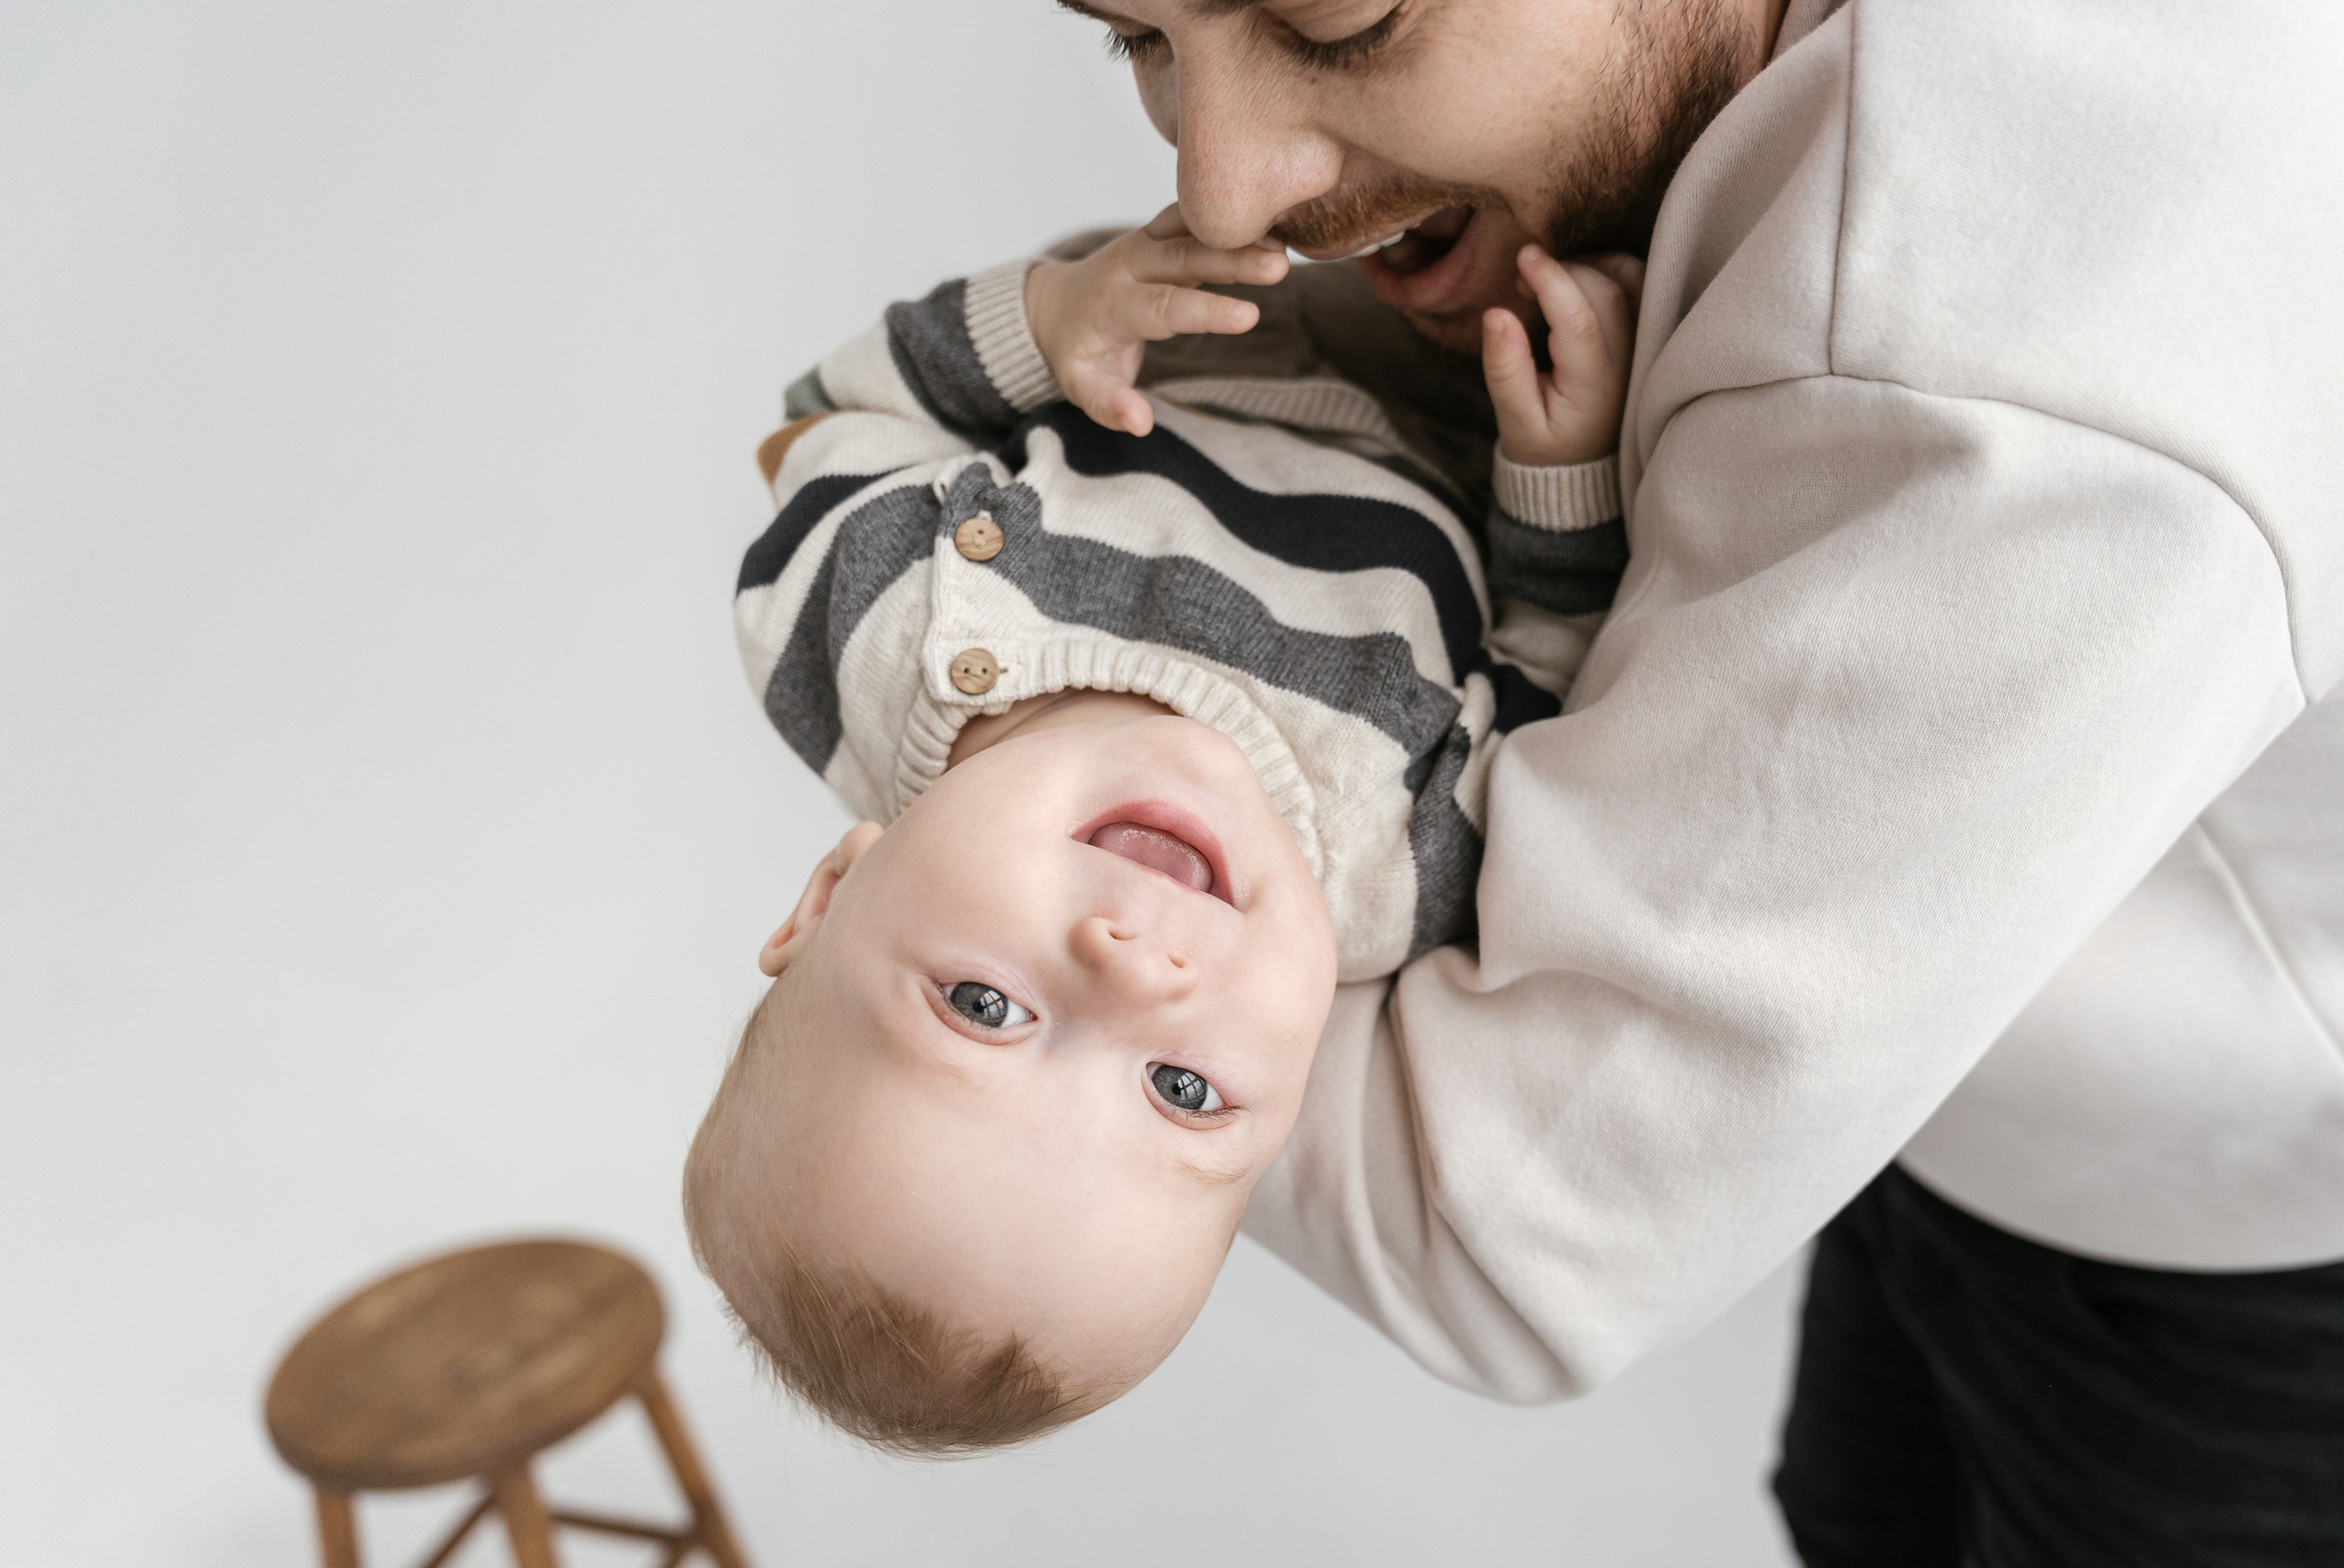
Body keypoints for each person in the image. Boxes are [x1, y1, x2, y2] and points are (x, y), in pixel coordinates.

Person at [1019, 1, 2344, 1563]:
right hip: (1935, 1087)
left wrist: (969, 806)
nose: (1225, 187)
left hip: (2228, 1248)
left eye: (1341, 21)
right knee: (1851, 1516)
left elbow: (1505, 1219)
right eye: (1139, 37)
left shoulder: (1996, 388)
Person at [685, 209, 1642, 1453]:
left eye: (984, 1007)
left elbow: (834, 409)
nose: (1138, 969)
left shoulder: (856, 635)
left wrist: (1048, 320)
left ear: (829, 896)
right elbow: (1542, 658)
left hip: (1229, 301)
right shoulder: (1396, 865)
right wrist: (1559, 474)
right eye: (1184, 1089)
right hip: (1457, 385)